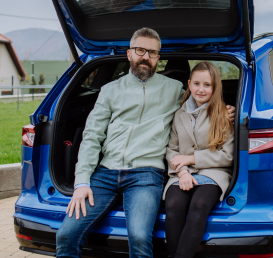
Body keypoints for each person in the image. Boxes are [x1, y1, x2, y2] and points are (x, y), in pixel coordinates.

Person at [55, 28, 235, 258]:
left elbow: (202, 102)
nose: (145, 57)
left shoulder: (174, 90)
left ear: (158, 58)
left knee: (140, 238)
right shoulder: (110, 91)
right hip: (105, 174)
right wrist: (81, 183)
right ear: (129, 54)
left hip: (146, 174)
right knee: (65, 235)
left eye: (152, 52)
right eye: (140, 50)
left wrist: (226, 110)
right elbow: (91, 137)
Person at [163, 62, 234, 258]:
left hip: (214, 173)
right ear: (189, 84)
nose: (201, 89)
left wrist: (190, 159)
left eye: (207, 85)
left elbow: (227, 156)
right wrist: (182, 172)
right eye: (196, 84)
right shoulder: (179, 114)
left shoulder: (224, 114)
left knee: (199, 204)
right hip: (182, 172)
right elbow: (172, 150)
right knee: (173, 204)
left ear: (215, 87)